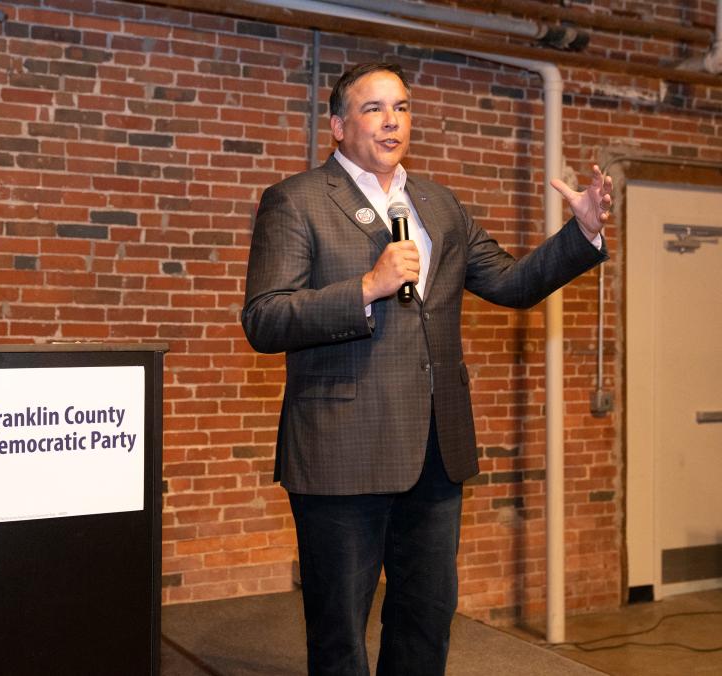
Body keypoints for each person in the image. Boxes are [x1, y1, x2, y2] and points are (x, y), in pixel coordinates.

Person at [241, 62, 611, 676]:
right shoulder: (296, 201)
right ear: (337, 125)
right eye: (374, 108)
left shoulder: (438, 205)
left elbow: (513, 282)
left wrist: (580, 234)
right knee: (340, 635)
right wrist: (366, 285)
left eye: (403, 107)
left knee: (426, 618)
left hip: (435, 453)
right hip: (343, 452)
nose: (392, 120)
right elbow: (264, 318)